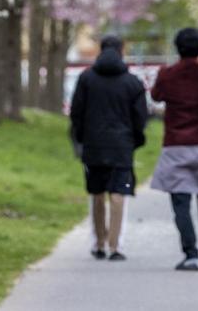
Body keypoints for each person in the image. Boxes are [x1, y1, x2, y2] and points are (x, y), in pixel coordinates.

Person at [69, 34, 149, 261]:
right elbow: (140, 117)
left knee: (96, 193)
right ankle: (115, 245)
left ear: (100, 50)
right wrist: (135, 139)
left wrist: (82, 138)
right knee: (118, 193)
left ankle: (99, 242)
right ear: (122, 51)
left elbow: (77, 112)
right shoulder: (132, 82)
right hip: (122, 147)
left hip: (94, 146)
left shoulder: (86, 79)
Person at [150, 27, 198, 271]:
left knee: (180, 201)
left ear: (177, 47)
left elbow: (156, 96)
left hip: (176, 142)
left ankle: (190, 252)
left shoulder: (167, 74)